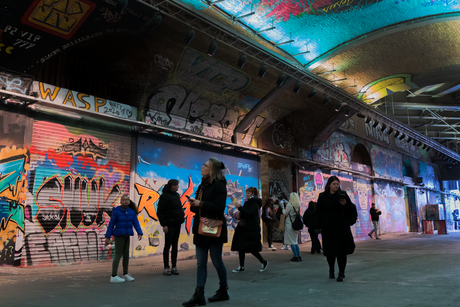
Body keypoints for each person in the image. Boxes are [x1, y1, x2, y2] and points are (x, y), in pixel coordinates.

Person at [183, 158, 229, 307]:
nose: (202, 167)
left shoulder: (220, 186)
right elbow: (198, 207)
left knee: (217, 261)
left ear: (213, 170)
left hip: (214, 227)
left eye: (205, 166)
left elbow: (219, 208)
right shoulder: (203, 185)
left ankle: (223, 290)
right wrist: (194, 204)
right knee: (200, 263)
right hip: (201, 228)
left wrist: (200, 203)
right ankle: (199, 294)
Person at [316, 176, 357, 282]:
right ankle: (331, 270)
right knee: (330, 251)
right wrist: (318, 226)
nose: (336, 186)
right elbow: (319, 212)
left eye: (337, 184)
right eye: (334, 184)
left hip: (341, 227)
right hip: (328, 227)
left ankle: (341, 273)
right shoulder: (322, 196)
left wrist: (345, 205)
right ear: (329, 184)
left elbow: (352, 208)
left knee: (342, 251)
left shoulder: (342, 195)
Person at [105, 195, 143, 283]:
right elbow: (111, 225)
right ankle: (114, 275)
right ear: (121, 201)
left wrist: (139, 232)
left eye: (127, 200)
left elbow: (136, 223)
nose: (126, 201)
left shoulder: (132, 212)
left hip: (127, 235)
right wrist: (107, 237)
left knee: (126, 254)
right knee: (118, 254)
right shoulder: (117, 211)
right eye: (124, 200)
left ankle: (125, 274)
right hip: (118, 235)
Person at [231, 187, 269, 273]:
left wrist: (239, 207)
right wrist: (239, 214)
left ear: (252, 194)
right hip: (244, 227)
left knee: (251, 248)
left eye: (248, 193)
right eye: (246, 193)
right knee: (241, 247)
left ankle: (263, 261)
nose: (246, 195)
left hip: (250, 228)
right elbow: (245, 213)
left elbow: (249, 213)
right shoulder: (248, 202)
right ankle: (241, 266)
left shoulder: (255, 203)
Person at [157, 179, 185, 275]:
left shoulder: (176, 195)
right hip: (169, 225)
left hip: (177, 224)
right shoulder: (164, 196)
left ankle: (174, 266)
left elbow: (179, 208)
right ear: (172, 186)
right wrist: (164, 225)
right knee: (167, 246)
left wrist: (182, 217)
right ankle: (166, 267)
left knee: (175, 245)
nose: (178, 187)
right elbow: (160, 212)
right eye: (177, 185)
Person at [279, 193, 302, 262]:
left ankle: (295, 256)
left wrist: (283, 207)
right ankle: (299, 256)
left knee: (291, 241)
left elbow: (285, 213)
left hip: (289, 224)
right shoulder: (298, 205)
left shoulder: (289, 205)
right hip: (295, 224)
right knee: (295, 241)